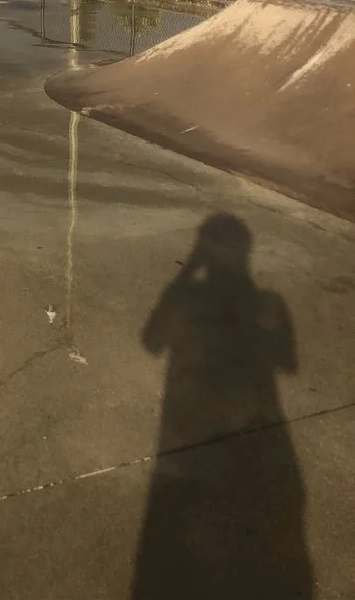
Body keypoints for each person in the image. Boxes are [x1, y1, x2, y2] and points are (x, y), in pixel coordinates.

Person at [132, 214, 309, 599]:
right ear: (245, 255)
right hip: (252, 441)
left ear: (204, 254)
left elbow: (151, 341)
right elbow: (288, 364)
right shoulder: (266, 302)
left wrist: (187, 271)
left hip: (189, 444)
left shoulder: (189, 296)